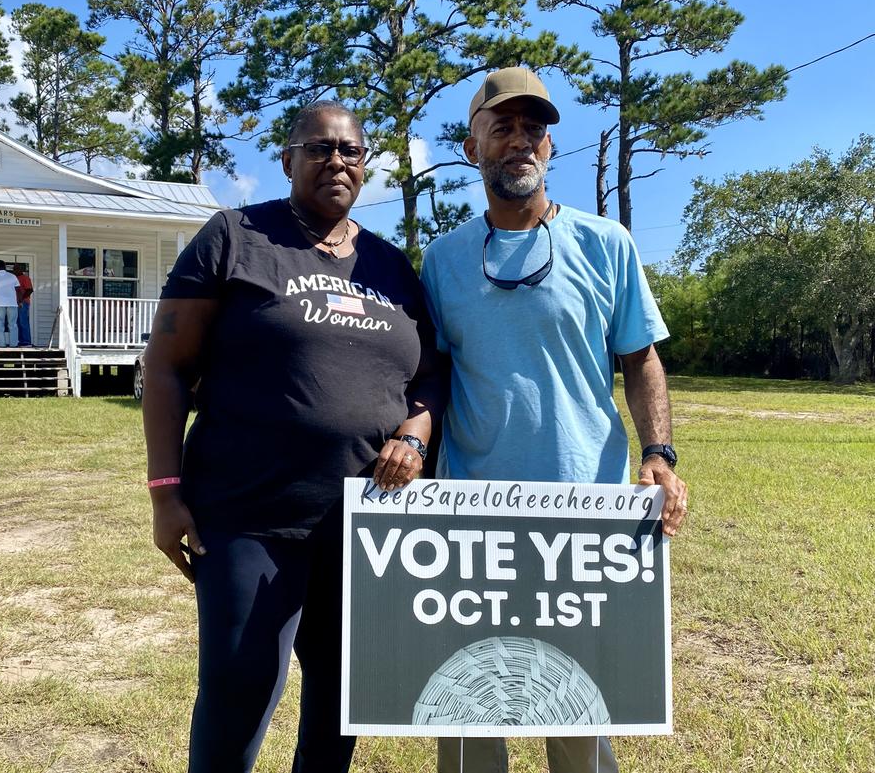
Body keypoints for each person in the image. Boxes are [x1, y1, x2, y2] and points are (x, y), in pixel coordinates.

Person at [141, 100, 444, 773]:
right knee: (242, 692)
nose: (337, 160)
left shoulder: (392, 269)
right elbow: (165, 365)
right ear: (288, 159)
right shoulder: (235, 237)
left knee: (341, 704)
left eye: (351, 151)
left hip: (361, 529)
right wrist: (165, 491)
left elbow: (429, 378)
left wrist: (417, 434)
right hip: (250, 515)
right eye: (319, 147)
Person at [421, 67, 690, 773]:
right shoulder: (443, 259)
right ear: (471, 142)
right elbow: (432, 379)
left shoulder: (607, 244)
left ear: (549, 147)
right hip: (470, 520)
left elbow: (641, 359)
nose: (520, 141)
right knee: (474, 706)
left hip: (584, 516)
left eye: (534, 128)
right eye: (502, 126)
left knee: (577, 714)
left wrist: (659, 452)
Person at [12, 263, 33, 346]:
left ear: (21, 269)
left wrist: (21, 299)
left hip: (23, 303)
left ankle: (26, 342)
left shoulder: (25, 278)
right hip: (15, 303)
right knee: (17, 322)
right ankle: (21, 341)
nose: (15, 270)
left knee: (23, 321)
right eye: (14, 268)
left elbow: (29, 290)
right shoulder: (14, 278)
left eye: (17, 268)